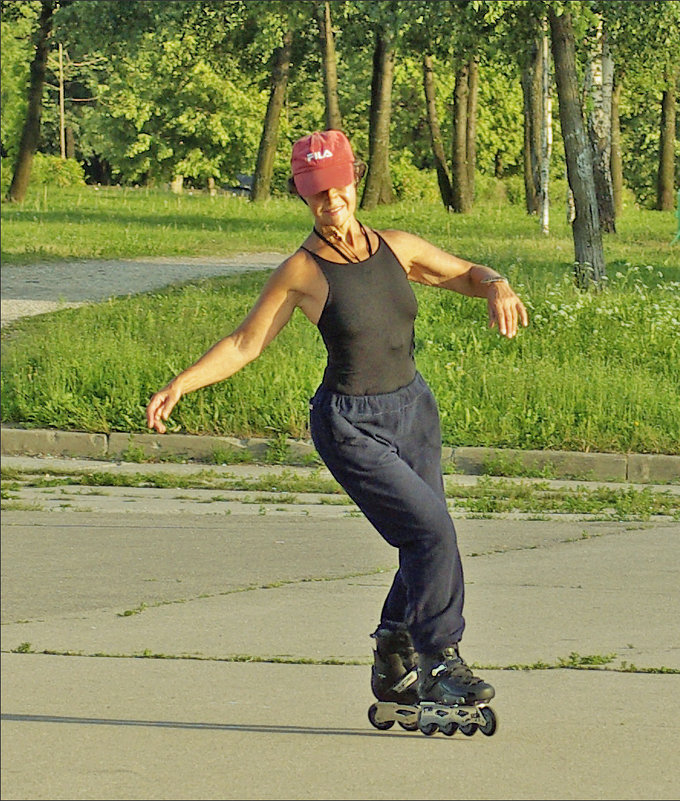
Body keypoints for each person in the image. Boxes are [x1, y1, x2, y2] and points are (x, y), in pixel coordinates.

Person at [145, 130, 529, 715]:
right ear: (305, 198)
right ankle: (438, 662)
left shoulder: (395, 247)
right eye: (317, 194)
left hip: (413, 411)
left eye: (338, 188)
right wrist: (181, 383)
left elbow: (467, 273)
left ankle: (393, 651)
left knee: (426, 536)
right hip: (351, 424)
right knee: (430, 533)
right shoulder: (301, 271)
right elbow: (246, 342)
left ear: (354, 182)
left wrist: (498, 285)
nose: (331, 202)